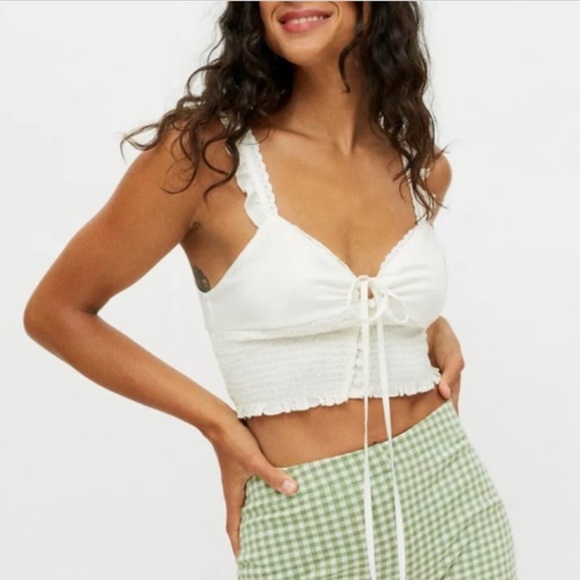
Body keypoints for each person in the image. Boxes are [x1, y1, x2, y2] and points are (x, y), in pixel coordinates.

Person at [23, 2, 517, 579]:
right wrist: (218, 424)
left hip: (452, 498)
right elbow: (56, 312)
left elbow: (370, 294)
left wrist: (431, 323)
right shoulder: (207, 158)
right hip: (303, 513)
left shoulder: (419, 166)